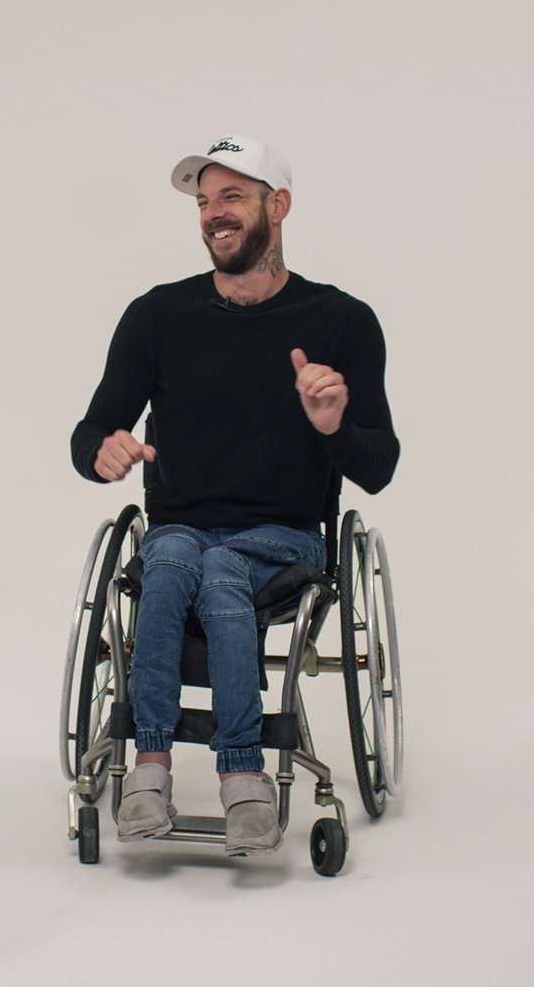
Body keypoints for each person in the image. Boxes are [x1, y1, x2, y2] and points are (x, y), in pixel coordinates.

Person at [69, 135, 398, 856]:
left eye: (232, 197)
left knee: (214, 568)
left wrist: (335, 425)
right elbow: (90, 431)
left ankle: (241, 771)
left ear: (277, 206)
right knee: (175, 557)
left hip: (284, 537)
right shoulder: (158, 316)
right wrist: (104, 450)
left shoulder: (341, 322)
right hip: (180, 527)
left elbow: (379, 466)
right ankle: (149, 768)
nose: (214, 214)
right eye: (204, 200)